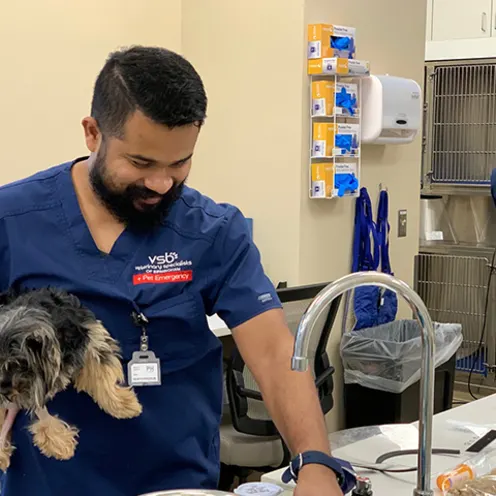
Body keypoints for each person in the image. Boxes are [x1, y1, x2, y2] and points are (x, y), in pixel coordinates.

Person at [0, 46, 351, 496]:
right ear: (92, 134)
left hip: (175, 483)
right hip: (47, 482)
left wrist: (315, 463)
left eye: (179, 163)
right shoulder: (15, 220)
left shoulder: (213, 232)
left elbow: (272, 350)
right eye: (141, 163)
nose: (161, 184)